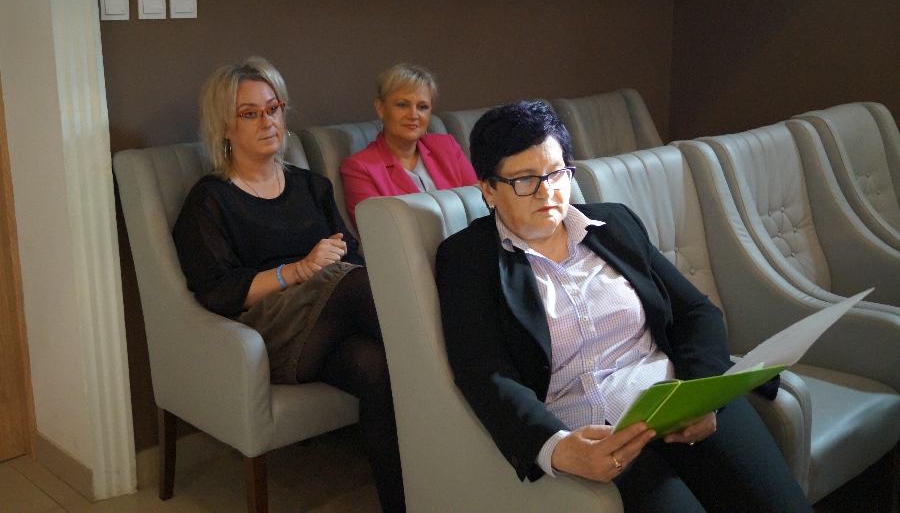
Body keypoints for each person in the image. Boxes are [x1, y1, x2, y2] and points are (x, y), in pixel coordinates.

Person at [435, 101, 811, 512]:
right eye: (525, 179)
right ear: (488, 188)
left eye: (556, 173)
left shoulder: (614, 224)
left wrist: (702, 395)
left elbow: (696, 313)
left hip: (676, 401)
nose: (547, 191)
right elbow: (485, 372)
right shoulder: (467, 259)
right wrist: (557, 447)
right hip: (597, 440)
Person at [172, 57, 405, 513]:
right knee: (356, 285)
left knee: (379, 369)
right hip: (271, 333)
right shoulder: (210, 200)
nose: (268, 121)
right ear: (225, 127)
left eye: (274, 108)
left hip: (329, 323)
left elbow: (351, 253)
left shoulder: (310, 186)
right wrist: (296, 271)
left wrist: (324, 268)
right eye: (250, 113)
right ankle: (462, 363)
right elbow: (216, 292)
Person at [340, 63, 477, 225]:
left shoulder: (447, 147)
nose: (413, 115)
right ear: (380, 108)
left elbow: (479, 204)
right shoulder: (360, 168)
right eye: (403, 105)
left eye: (422, 107)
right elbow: (378, 229)